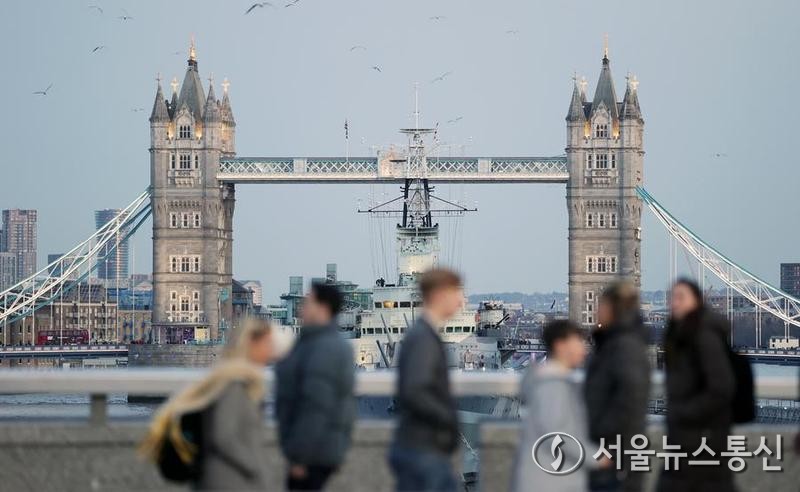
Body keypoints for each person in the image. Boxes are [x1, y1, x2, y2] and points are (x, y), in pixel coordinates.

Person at [140, 318, 274, 491]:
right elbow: (223, 437)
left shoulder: (227, 379)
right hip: (227, 481)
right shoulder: (234, 384)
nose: (271, 350)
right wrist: (255, 466)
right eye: (267, 344)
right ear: (249, 343)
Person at [275, 281, 355, 491]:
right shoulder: (317, 342)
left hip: (311, 455)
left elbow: (315, 406)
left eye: (308, 302)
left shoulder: (323, 347)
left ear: (323, 308)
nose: (301, 307)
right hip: (317, 451)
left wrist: (300, 458)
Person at [658, 279, 736, 492]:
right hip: (686, 437)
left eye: (681, 297)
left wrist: (684, 413)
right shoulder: (680, 336)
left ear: (697, 301)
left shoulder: (705, 336)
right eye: (672, 297)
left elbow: (721, 387)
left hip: (702, 437)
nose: (674, 302)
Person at [389, 269, 463, 492]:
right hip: (423, 449)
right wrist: (448, 418)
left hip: (420, 448)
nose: (461, 302)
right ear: (440, 295)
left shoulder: (422, 334)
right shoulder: (423, 338)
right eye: (457, 294)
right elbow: (415, 391)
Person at [511, 319, 601, 492]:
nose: (583, 349)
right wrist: (597, 457)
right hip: (550, 481)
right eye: (578, 343)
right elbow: (556, 434)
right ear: (560, 345)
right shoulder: (552, 385)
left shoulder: (546, 381)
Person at [584, 282, 651, 492]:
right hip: (610, 454)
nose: (596, 311)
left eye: (601, 306)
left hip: (613, 457)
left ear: (614, 309)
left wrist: (602, 437)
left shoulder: (624, 346)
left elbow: (630, 402)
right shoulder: (615, 343)